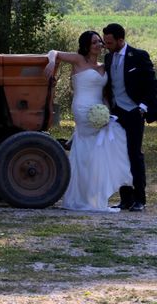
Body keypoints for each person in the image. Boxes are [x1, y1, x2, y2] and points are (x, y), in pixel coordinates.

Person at [45, 31, 132, 212]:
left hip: (99, 109)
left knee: (103, 148)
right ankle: (83, 196)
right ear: (86, 45)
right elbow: (54, 52)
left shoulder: (104, 65)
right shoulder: (78, 60)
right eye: (94, 42)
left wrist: (106, 109)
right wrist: (52, 61)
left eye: (100, 42)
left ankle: (94, 196)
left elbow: (104, 93)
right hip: (83, 108)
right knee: (88, 150)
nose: (98, 45)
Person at [102, 23, 157, 212]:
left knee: (134, 154)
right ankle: (125, 199)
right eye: (105, 42)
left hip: (134, 112)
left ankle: (140, 199)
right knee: (119, 155)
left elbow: (152, 85)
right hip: (117, 113)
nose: (106, 45)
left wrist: (142, 108)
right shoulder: (108, 58)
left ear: (120, 40)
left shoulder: (139, 56)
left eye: (109, 42)